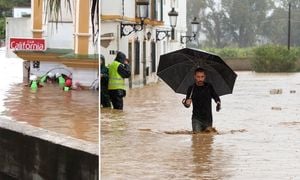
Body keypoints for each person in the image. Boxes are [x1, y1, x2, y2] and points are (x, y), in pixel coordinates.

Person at [182, 68, 221, 133]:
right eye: (198, 77)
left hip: (208, 119)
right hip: (196, 118)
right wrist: (186, 103)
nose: (200, 79)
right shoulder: (191, 88)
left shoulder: (209, 86)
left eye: (202, 77)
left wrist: (218, 103)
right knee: (196, 138)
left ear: (205, 77)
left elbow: (216, 97)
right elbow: (187, 105)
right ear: (195, 77)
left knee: (208, 140)